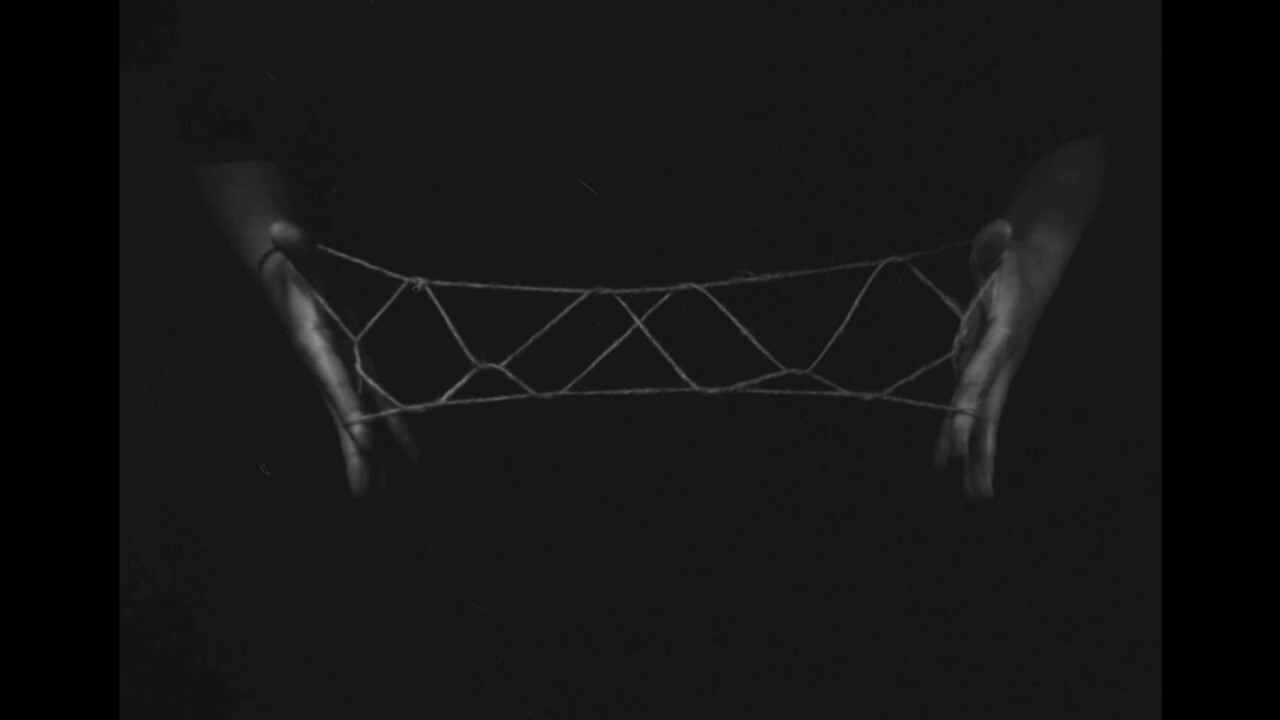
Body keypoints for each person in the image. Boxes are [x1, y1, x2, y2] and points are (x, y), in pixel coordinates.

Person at [182, 2, 1109, 499]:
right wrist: (275, 264)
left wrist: (1039, 244)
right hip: (464, 484)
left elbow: (1075, 99)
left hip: (839, 493)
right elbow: (223, 108)